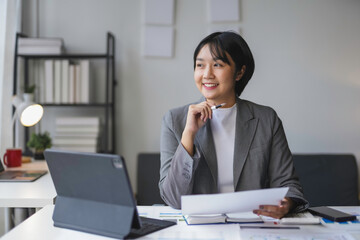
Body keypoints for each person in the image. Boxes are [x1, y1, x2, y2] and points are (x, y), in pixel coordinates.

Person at [159, 31, 308, 219]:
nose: (207, 74)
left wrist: (286, 203)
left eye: (218, 65)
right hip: (199, 229)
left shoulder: (266, 119)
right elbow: (173, 199)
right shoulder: (174, 120)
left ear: (240, 72)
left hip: (254, 224)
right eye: (200, 65)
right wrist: (189, 134)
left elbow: (289, 185)